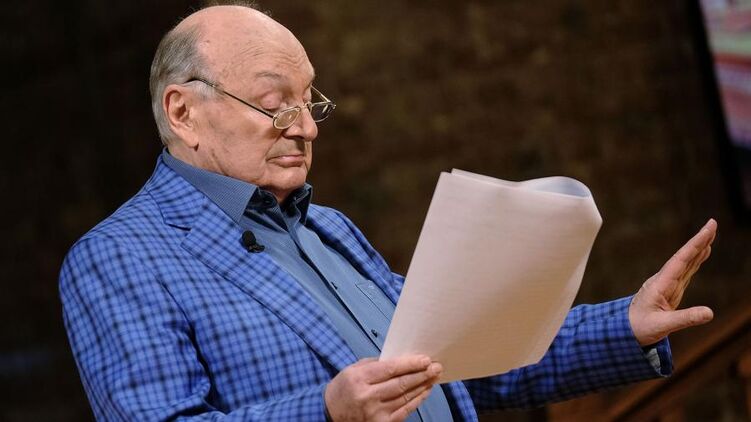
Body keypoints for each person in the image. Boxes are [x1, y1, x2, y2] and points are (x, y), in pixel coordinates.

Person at [59, 3, 718, 421]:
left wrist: (626, 327)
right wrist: (327, 413)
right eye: (276, 105)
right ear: (183, 112)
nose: (305, 128)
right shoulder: (118, 258)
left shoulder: (329, 228)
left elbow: (460, 364)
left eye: (310, 102)